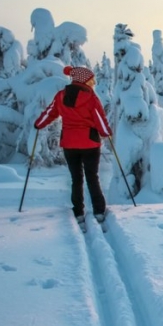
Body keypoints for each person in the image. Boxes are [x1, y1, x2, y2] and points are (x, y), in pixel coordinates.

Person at [35, 65, 112, 230]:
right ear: (85, 80)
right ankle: (99, 211)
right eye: (91, 80)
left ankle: (78, 212)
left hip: (69, 144)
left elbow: (50, 113)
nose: (93, 82)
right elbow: (99, 118)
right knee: (92, 177)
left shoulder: (61, 96)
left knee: (76, 179)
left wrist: (39, 124)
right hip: (90, 143)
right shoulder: (91, 97)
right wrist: (106, 133)